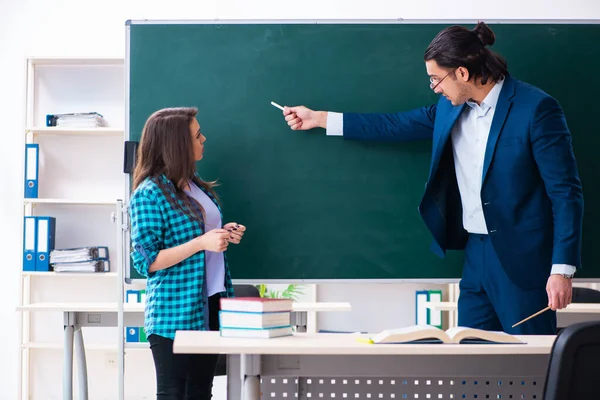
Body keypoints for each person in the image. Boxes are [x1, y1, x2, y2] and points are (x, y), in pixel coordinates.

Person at [281, 22, 583, 335]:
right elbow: (392, 125)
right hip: (475, 253)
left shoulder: (536, 109)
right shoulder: (449, 109)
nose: (435, 88)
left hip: (523, 260)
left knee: (528, 368)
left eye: (437, 79)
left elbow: (565, 193)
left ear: (462, 73)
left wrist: (562, 270)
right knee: (470, 357)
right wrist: (318, 119)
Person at [129, 107, 246, 399]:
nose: (203, 138)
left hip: (210, 303)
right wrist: (201, 243)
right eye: (197, 135)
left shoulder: (194, 185)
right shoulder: (150, 193)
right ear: (176, 144)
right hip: (174, 313)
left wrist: (223, 233)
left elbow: (202, 237)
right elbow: (147, 261)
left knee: (200, 392)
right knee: (175, 394)